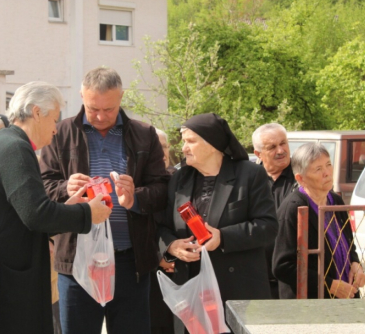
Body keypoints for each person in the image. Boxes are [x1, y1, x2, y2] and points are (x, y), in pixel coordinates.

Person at [0, 81, 111, 334]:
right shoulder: (15, 147)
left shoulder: (9, 144)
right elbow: (35, 215)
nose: (56, 130)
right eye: (54, 120)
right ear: (37, 113)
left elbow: (22, 212)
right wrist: (88, 213)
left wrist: (68, 207)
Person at [40, 67, 169, 334]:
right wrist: (66, 188)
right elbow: (42, 186)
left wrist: (135, 197)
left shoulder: (145, 134)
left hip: (130, 262)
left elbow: (162, 190)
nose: (100, 116)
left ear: (122, 97)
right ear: (81, 96)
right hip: (77, 262)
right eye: (92, 108)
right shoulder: (60, 133)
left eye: (108, 109)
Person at [157, 113, 278, 334]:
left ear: (212, 143)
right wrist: (172, 246)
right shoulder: (179, 178)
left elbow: (268, 226)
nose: (183, 148)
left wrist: (222, 237)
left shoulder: (250, 174)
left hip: (238, 293)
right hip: (192, 292)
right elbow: (162, 227)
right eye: (184, 141)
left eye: (190, 141)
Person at [273, 142, 365, 299]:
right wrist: (328, 285)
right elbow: (282, 267)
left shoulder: (335, 200)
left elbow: (348, 245)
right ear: (301, 179)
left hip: (345, 297)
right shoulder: (293, 209)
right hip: (310, 304)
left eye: (328, 165)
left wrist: (356, 264)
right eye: (318, 169)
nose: (327, 173)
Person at [252, 122, 296, 298]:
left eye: (283, 143)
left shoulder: (303, 176)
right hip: (258, 281)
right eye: (272, 147)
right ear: (258, 154)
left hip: (293, 282)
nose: (281, 150)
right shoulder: (251, 182)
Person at [151, 128, 176, 334]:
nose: (162, 152)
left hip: (181, 267)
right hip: (150, 271)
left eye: (165, 146)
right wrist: (158, 256)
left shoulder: (180, 179)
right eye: (156, 147)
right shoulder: (137, 185)